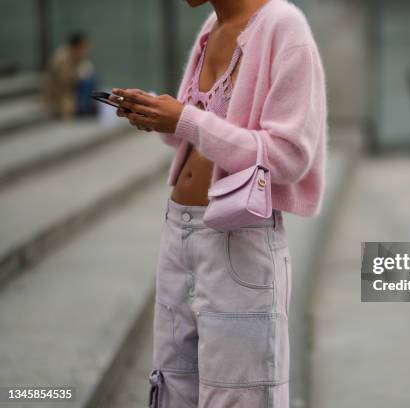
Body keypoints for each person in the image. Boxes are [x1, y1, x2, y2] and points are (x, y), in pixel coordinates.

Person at [110, 0, 327, 406]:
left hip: (238, 239)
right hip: (178, 231)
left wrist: (183, 120)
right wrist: (157, 114)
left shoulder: (284, 26)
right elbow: (193, 134)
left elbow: (289, 155)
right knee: (173, 387)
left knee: (238, 394)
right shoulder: (213, 26)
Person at [44, 32, 98, 119]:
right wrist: (78, 75)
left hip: (72, 94)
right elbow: (62, 82)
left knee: (92, 79)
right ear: (76, 46)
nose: (86, 50)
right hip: (60, 96)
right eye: (83, 46)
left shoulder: (77, 57)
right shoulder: (62, 58)